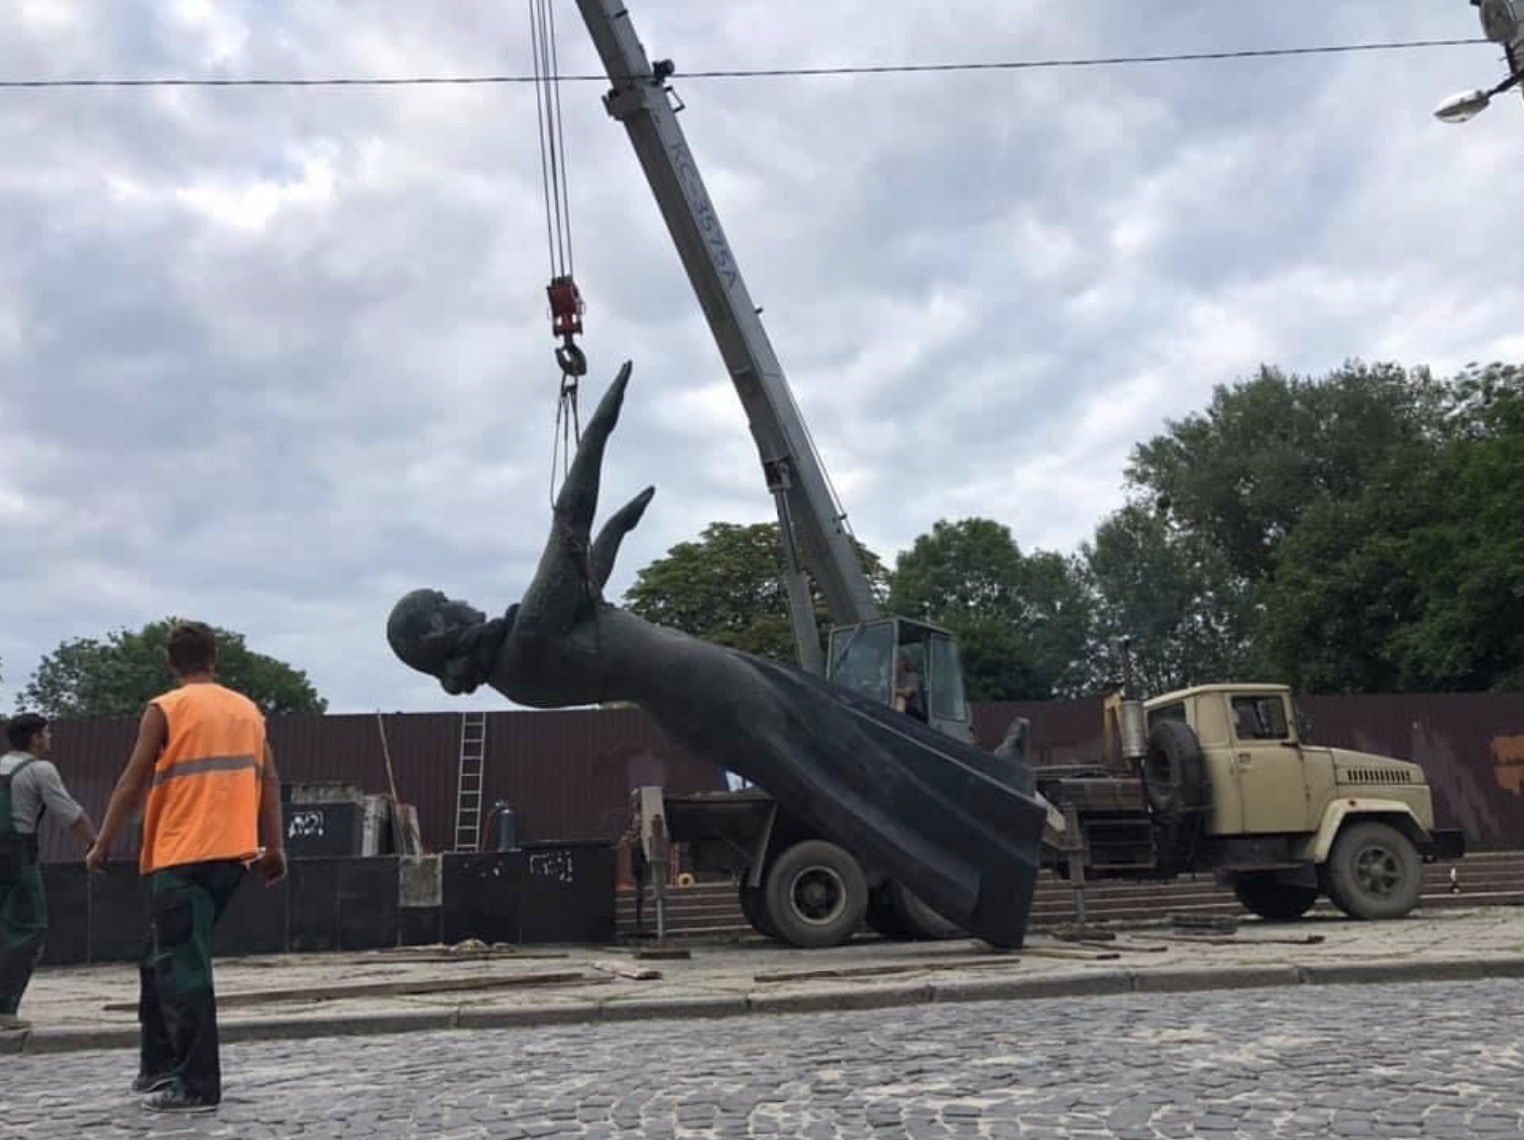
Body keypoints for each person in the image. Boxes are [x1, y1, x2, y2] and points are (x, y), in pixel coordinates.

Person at [86, 621, 287, 1114]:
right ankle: (158, 1066)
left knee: (183, 969)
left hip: (182, 858)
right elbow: (270, 781)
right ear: (215, 657)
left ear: (170, 663)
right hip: (234, 858)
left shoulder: (166, 709)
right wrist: (275, 849)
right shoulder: (248, 711)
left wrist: (102, 843)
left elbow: (132, 781)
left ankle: (196, 1084)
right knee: (157, 956)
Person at [0, 713, 97, 1030]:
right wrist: (97, 845)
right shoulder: (40, 770)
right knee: (30, 929)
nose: (50, 737)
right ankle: (4, 1009)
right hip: (16, 857)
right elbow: (71, 814)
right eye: (47, 733)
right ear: (36, 739)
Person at [894, 653, 928, 723]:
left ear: (903, 662)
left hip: (915, 711)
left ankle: (897, 724)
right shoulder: (894, 678)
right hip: (900, 707)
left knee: (900, 700)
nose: (894, 663)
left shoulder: (912, 675)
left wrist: (890, 689)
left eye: (897, 661)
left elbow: (907, 693)